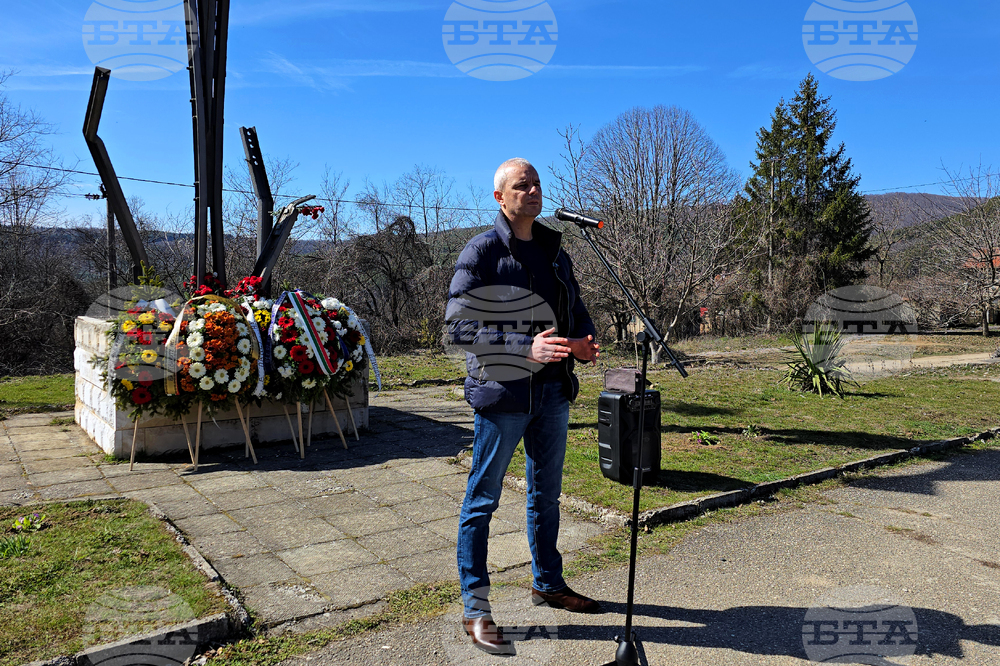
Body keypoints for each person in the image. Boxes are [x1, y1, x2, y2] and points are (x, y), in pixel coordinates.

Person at [447, 158, 602, 655]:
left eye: (536, 184)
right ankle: (476, 609)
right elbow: (458, 327)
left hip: (553, 392)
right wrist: (522, 348)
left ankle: (548, 584)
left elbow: (573, 308)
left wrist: (581, 341)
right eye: (522, 185)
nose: (532, 191)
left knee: (546, 495)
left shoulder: (556, 249)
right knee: (482, 501)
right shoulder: (483, 251)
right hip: (503, 395)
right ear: (500, 196)